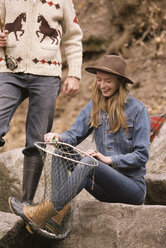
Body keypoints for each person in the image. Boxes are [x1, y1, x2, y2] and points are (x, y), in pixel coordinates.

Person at [9, 55, 151, 231]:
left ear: (120, 82)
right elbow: (73, 135)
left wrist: (108, 160)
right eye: (99, 80)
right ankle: (56, 217)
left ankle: (44, 213)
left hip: (131, 189)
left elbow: (142, 155)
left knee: (90, 163)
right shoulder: (95, 106)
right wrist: (58, 138)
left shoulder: (138, 111)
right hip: (104, 188)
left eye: (108, 81)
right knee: (61, 150)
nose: (102, 85)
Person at [0, 0, 83, 205]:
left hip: (47, 76)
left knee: (37, 139)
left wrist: (74, 74)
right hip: (10, 71)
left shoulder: (63, 1)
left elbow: (73, 36)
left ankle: (26, 203)